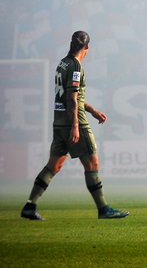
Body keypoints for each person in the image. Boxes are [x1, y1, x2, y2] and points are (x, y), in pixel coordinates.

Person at [20, 31, 129, 220]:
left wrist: (92, 109)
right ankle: (103, 209)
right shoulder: (77, 66)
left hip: (59, 122)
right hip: (74, 122)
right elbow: (72, 98)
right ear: (87, 47)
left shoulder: (62, 63)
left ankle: (30, 206)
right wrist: (76, 126)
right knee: (92, 163)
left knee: (54, 165)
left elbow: (71, 96)